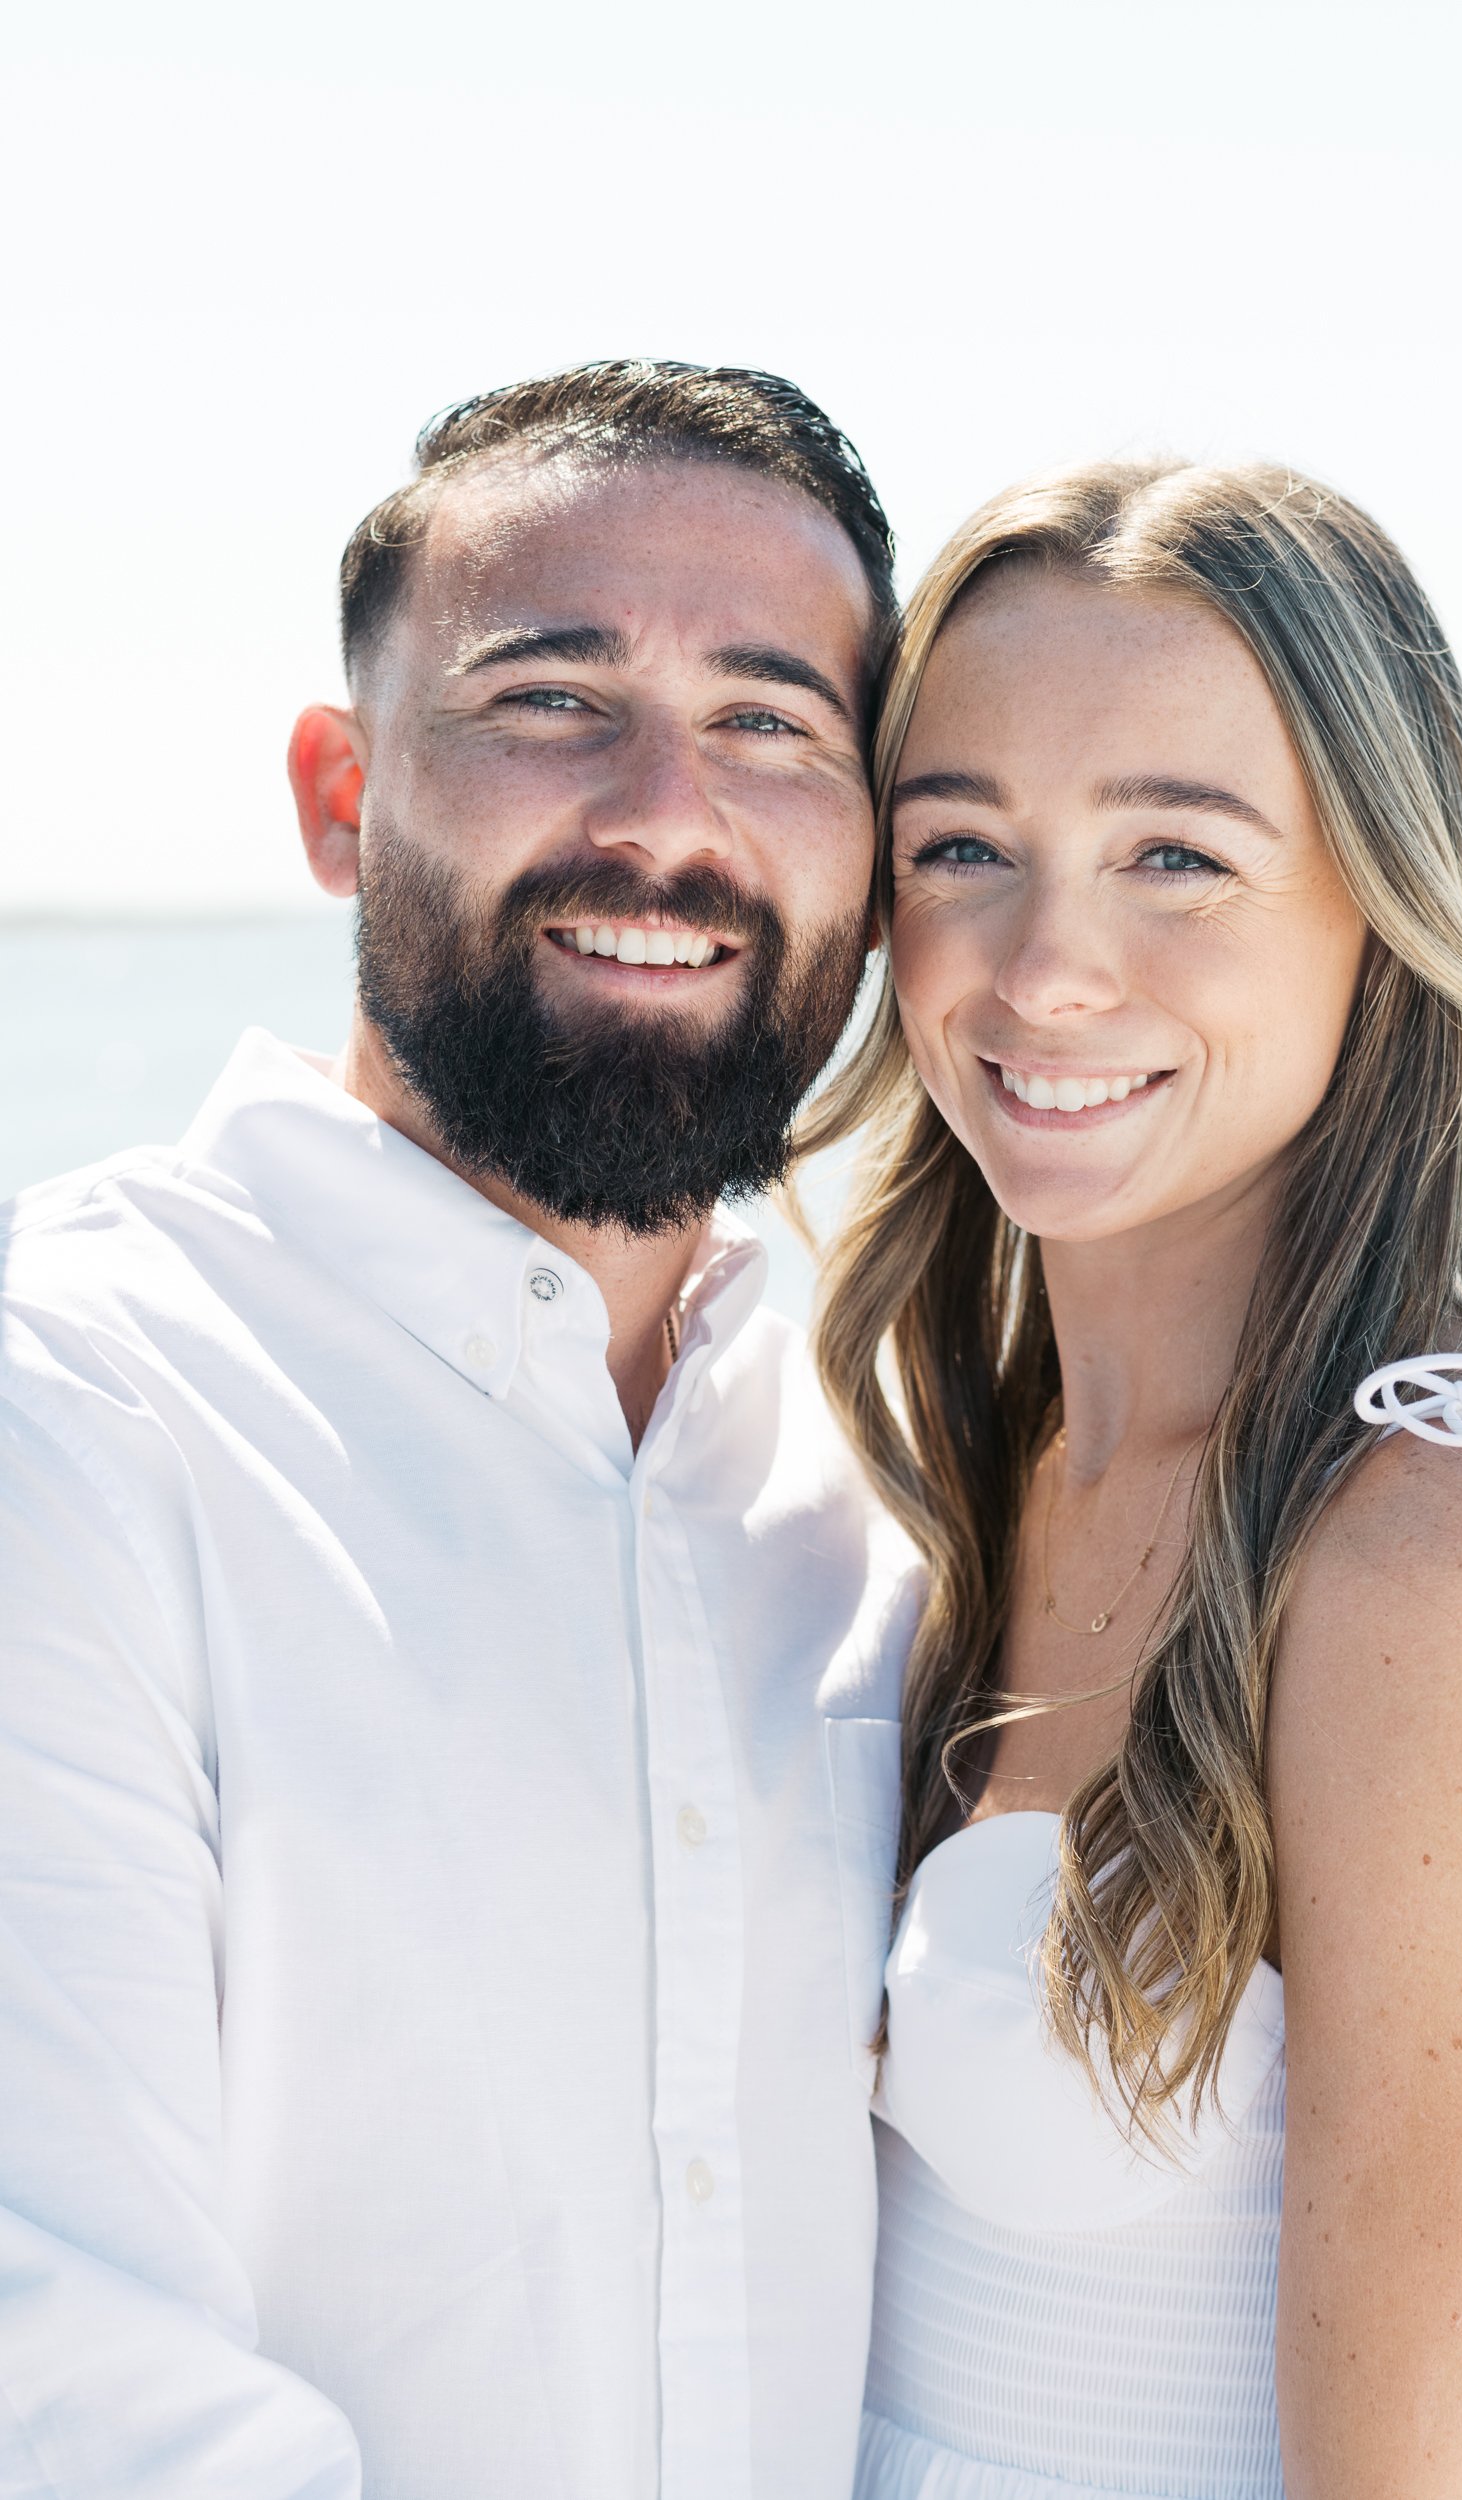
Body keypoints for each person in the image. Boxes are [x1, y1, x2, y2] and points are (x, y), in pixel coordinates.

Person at [0, 361, 916, 2500]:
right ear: (340, 793)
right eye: (548, 697)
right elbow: (67, 2369)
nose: (665, 814)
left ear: (876, 851)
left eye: (774, 722)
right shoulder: (74, 1412)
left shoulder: (885, 1468)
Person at [807, 459, 1462, 2497]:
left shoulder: (1449, 1536)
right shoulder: (942, 1472)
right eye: (962, 847)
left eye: (1175, 856)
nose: (1043, 968)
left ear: (1372, 899)